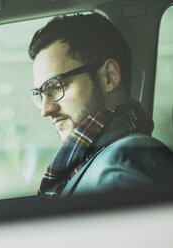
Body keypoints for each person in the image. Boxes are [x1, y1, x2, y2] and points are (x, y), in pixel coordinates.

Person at [28, 13, 173, 199]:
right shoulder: (95, 161)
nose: (45, 110)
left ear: (109, 77)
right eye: (40, 94)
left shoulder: (126, 163)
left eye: (57, 86)